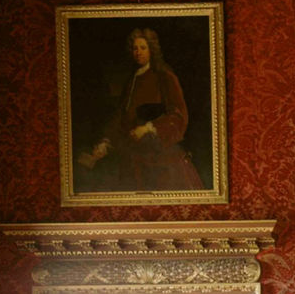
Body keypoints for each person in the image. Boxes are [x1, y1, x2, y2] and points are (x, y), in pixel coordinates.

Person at [75, 27, 205, 193]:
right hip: (133, 157)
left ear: (152, 49)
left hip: (160, 155)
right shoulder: (132, 80)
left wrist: (147, 128)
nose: (138, 52)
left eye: (143, 48)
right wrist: (106, 143)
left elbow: (179, 115)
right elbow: (122, 117)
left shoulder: (164, 76)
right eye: (135, 48)